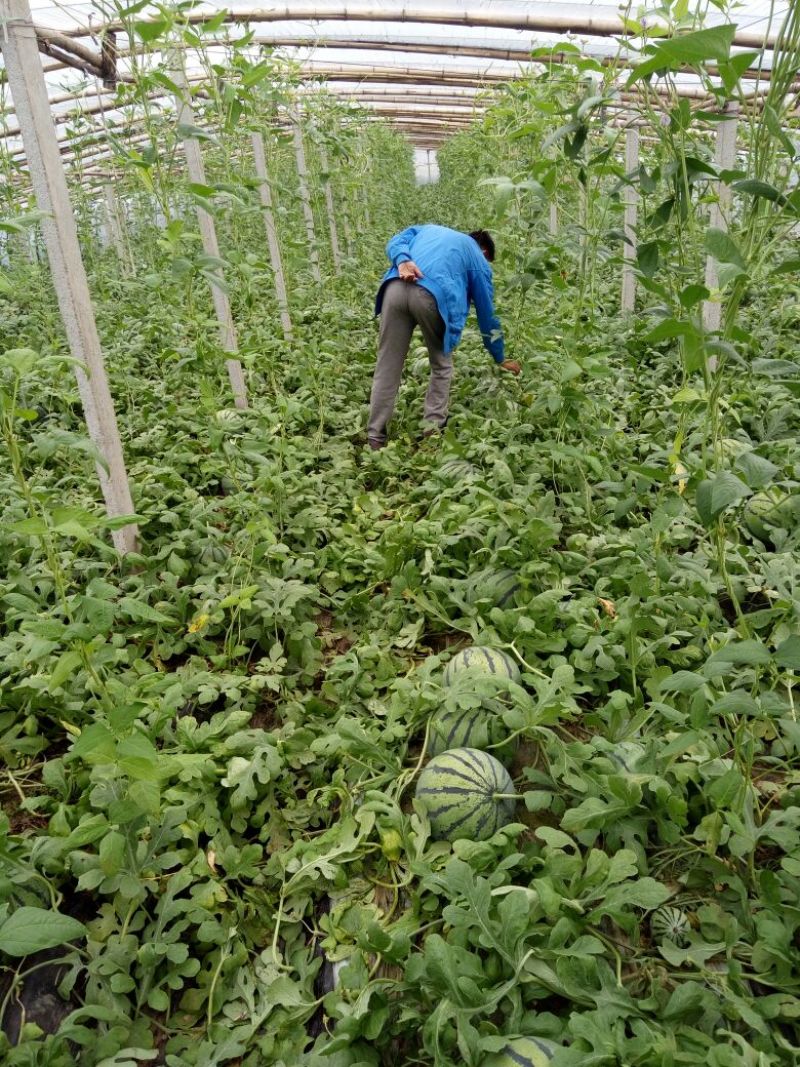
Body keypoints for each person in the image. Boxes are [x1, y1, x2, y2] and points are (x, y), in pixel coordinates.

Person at [367, 224, 521, 450]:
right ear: (485, 252)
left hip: (395, 288)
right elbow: (487, 316)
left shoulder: (427, 229)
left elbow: (395, 241)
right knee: (441, 366)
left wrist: (402, 259)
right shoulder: (478, 260)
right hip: (430, 297)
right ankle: (432, 431)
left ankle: (375, 438)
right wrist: (499, 357)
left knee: (387, 365)